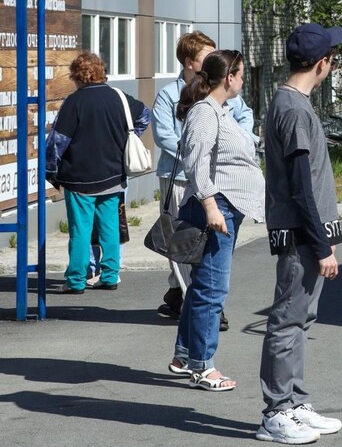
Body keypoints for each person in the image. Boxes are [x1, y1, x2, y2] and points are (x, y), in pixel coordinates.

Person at [257, 22, 342, 444]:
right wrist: (322, 245)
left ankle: (294, 402)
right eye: (333, 55)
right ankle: (276, 412)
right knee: (287, 321)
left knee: (300, 320)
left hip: (306, 234)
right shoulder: (293, 110)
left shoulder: (293, 104)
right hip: (301, 235)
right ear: (322, 63)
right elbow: (300, 186)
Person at [166, 50, 264, 391]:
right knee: (212, 289)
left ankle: (183, 355)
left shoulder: (220, 110)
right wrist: (211, 208)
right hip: (215, 209)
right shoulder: (206, 113)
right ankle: (203, 367)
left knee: (202, 287)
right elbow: (196, 162)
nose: (242, 80)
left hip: (223, 207)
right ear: (229, 78)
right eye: (239, 74)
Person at [153, 31, 256, 329]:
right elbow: (165, 136)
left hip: (219, 180)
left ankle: (186, 297)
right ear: (190, 63)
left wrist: (240, 141)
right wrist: (201, 154)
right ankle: (196, 306)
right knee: (185, 244)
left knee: (208, 247)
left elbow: (245, 115)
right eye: (207, 57)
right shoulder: (169, 95)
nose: (214, 60)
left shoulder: (222, 88)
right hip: (183, 178)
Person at [45, 53, 150, 294]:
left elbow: (58, 142)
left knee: (80, 231)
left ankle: (76, 280)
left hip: (79, 176)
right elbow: (145, 116)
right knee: (110, 227)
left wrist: (51, 171)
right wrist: (125, 140)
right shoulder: (118, 97)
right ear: (101, 72)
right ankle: (110, 275)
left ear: (77, 76)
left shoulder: (74, 102)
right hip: (113, 174)